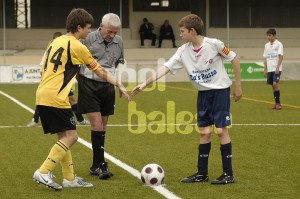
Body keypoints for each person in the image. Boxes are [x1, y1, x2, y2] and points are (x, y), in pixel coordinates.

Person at [132, 14, 242, 185]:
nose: (180, 34)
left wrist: (238, 85)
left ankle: (228, 174)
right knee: (204, 133)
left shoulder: (214, 44)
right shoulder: (183, 50)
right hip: (203, 94)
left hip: (220, 92)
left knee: (221, 131)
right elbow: (165, 68)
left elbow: (234, 58)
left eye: (183, 31)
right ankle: (201, 173)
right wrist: (144, 84)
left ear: (192, 31)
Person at [32, 8, 131, 191]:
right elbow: (100, 71)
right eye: (87, 28)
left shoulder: (55, 41)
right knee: (72, 136)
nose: (89, 32)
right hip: (57, 97)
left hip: (44, 93)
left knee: (64, 136)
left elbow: (42, 68)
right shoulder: (78, 46)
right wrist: (119, 84)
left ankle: (69, 178)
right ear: (79, 27)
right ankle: (43, 171)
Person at [77, 13, 124, 180]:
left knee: (103, 126)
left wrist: (116, 82)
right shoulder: (87, 39)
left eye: (115, 32)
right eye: (109, 31)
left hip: (107, 86)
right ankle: (101, 164)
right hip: (88, 85)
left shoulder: (119, 42)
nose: (112, 35)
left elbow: (118, 62)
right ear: (101, 27)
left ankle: (95, 165)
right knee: (96, 124)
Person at [27, 32, 90, 127]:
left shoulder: (66, 47)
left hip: (63, 81)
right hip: (54, 82)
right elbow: (43, 65)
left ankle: (80, 120)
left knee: (70, 99)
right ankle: (35, 120)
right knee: (45, 99)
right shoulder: (51, 48)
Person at [263, 28, 283, 110]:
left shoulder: (279, 44)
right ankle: (276, 103)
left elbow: (281, 56)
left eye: (270, 35)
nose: (268, 37)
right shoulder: (266, 45)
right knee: (273, 86)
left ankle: (278, 104)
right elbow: (265, 57)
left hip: (276, 69)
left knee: (275, 84)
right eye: (267, 35)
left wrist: (278, 68)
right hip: (269, 69)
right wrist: (265, 68)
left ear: (274, 35)